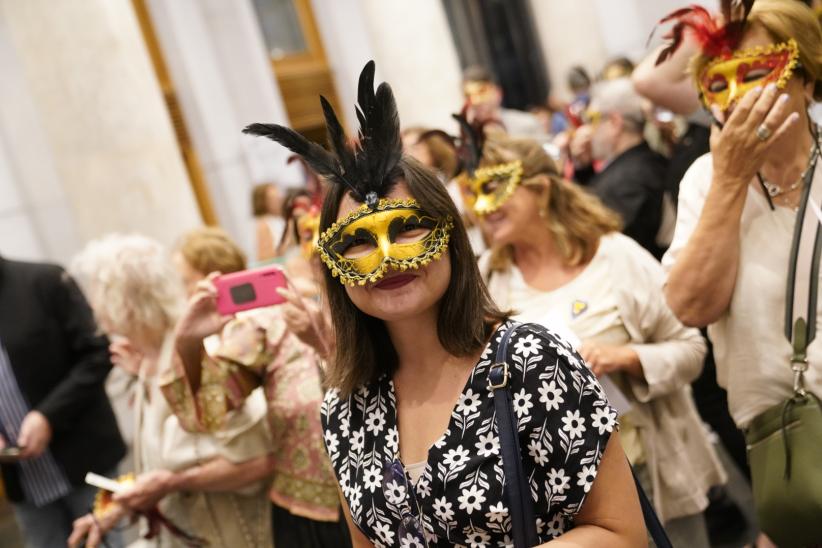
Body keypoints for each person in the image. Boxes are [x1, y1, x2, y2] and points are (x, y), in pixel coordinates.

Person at [245, 60, 646, 546]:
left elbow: (621, 533)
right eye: (357, 242)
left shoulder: (533, 361)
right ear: (333, 264)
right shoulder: (343, 409)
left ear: (451, 236)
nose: (388, 260)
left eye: (408, 227)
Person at [469, 134, 724, 546]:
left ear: (541, 189)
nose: (484, 207)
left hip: (651, 468)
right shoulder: (487, 282)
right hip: (562, 501)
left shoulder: (614, 257)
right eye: (473, 192)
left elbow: (692, 348)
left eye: (495, 189)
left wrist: (623, 358)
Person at [660, 1, 822, 544]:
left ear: (806, 78)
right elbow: (690, 306)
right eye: (720, 81)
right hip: (791, 444)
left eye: (758, 72)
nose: (738, 97)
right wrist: (731, 180)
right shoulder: (705, 181)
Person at [67, 234, 274, 548]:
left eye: (95, 294)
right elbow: (161, 465)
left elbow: (259, 461)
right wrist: (124, 503)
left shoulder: (200, 353)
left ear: (123, 301)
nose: (91, 309)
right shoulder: (146, 363)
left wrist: (172, 483)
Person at [167, 227, 349, 547]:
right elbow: (208, 411)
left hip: (381, 499)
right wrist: (187, 343)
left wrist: (323, 340)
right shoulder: (262, 323)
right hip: (308, 515)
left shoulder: (372, 311)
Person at [0, 255, 125, 548]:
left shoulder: (44, 280)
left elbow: (97, 355)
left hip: (84, 460)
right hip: (25, 485)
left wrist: (48, 416)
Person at [585, 77, 669, 259]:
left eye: (592, 119)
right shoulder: (646, 161)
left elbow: (608, 254)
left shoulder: (625, 183)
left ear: (615, 123)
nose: (588, 130)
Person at [462, 65, 550, 142]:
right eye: (468, 95)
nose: (476, 101)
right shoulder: (468, 136)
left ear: (498, 93)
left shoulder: (527, 123)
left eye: (482, 91)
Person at [252, 182, 286, 261]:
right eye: (273, 198)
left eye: (279, 196)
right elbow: (266, 258)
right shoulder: (264, 224)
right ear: (263, 203)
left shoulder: (280, 219)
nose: (279, 201)